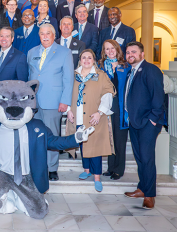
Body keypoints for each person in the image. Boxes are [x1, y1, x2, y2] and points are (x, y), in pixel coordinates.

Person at [27, 24, 74, 181]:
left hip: (53, 101)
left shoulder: (64, 52)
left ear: (54, 35)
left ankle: (52, 168)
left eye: (48, 33)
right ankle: (39, 167)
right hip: (34, 103)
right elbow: (31, 76)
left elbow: (68, 79)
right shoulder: (32, 52)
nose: (45, 36)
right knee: (36, 136)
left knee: (52, 136)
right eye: (42, 34)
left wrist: (65, 101)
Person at [123, 42, 166, 209]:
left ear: (142, 54)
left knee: (147, 158)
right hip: (135, 122)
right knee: (140, 157)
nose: (130, 54)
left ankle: (149, 195)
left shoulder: (151, 70)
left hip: (148, 122)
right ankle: (142, 188)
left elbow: (158, 95)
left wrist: (153, 118)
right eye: (127, 52)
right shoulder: (131, 71)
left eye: (133, 52)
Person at [65, 49, 114, 192]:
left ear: (94, 60)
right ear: (80, 60)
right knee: (82, 144)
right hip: (77, 116)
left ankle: (97, 177)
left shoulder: (101, 75)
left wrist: (100, 112)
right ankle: (86, 170)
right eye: (83, 58)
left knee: (95, 147)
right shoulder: (73, 75)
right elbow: (67, 93)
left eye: (89, 58)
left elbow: (108, 94)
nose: (86, 60)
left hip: (94, 117)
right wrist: (69, 110)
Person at [99, 39, 131, 181]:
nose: (110, 51)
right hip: (105, 106)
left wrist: (115, 69)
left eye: (113, 48)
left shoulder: (125, 66)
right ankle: (110, 167)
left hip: (119, 106)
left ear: (117, 50)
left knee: (119, 140)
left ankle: (119, 169)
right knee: (109, 138)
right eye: (107, 49)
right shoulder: (100, 67)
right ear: (104, 52)